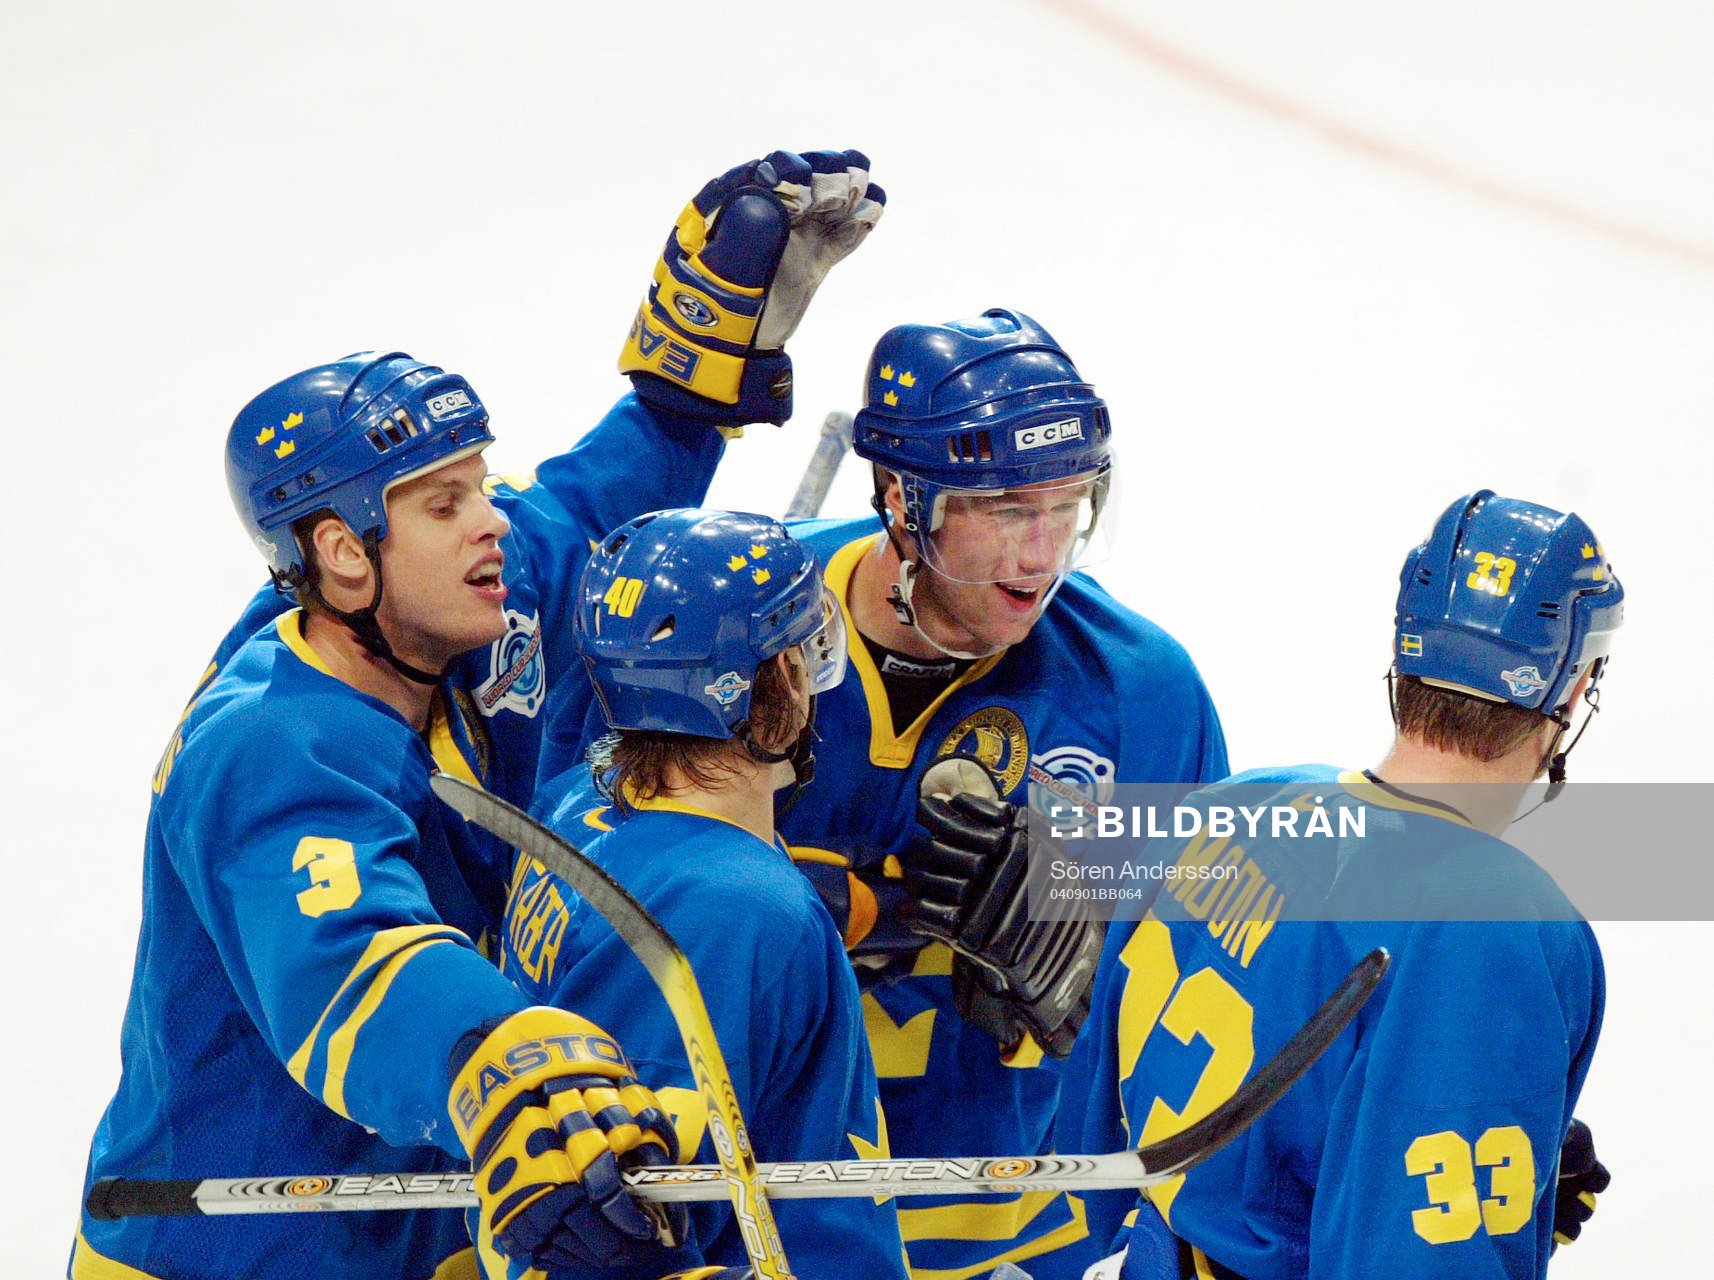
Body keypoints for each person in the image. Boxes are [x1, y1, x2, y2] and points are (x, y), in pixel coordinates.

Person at [72, 149, 885, 1280]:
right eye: (446, 502)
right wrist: (495, 1058)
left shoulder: (460, 615)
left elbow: (586, 502)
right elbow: (354, 961)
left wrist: (690, 376)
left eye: (479, 482)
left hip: (406, 1230)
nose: (489, 523)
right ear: (346, 553)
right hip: (237, 1254)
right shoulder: (266, 743)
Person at [536, 310, 1228, 1278]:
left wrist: (1100, 954)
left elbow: (1210, 973)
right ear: (904, 501)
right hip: (768, 1241)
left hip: (1026, 1240)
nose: (1040, 554)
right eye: (1005, 507)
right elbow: (578, 877)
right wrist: (842, 906)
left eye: (1065, 505)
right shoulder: (725, 629)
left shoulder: (1140, 691)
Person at [1061, 489, 1622, 1279]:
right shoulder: (1491, 922)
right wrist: (1469, 1190)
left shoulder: (1231, 806)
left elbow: (1089, 1127)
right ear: (1568, 691)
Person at [506, 508, 907, 1280]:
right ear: (782, 678)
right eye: (806, 647)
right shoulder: (736, 912)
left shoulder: (574, 799)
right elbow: (618, 1215)